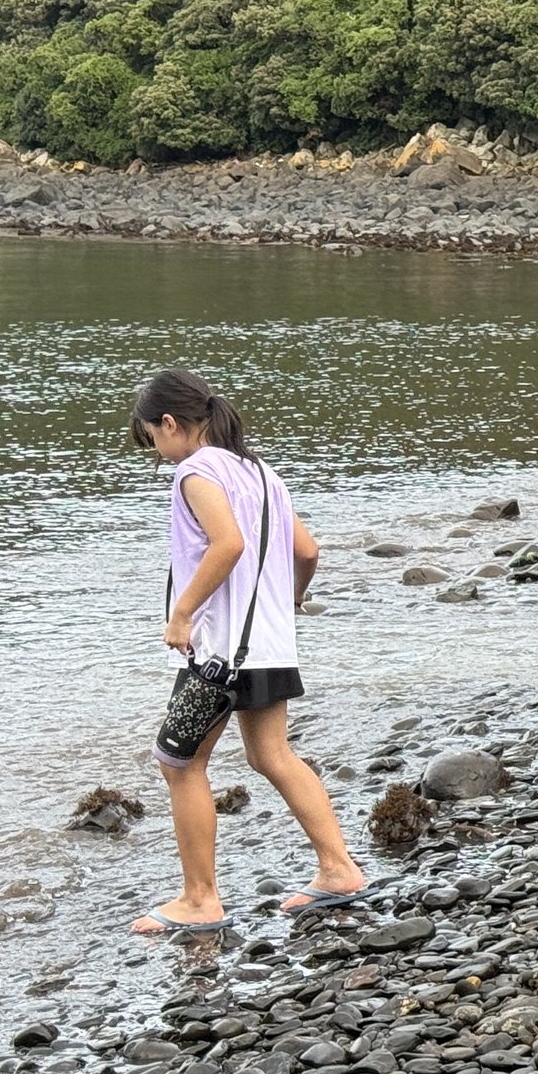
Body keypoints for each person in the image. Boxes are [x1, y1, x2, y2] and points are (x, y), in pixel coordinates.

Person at [129, 370, 367, 937]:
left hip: (216, 653)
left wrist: (182, 613)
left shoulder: (195, 470)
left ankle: (199, 899)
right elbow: (307, 551)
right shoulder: (262, 473)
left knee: (178, 762)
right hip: (269, 646)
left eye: (152, 440)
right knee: (271, 754)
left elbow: (228, 543)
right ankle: (338, 869)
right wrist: (289, 603)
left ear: (170, 424)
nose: (158, 455)